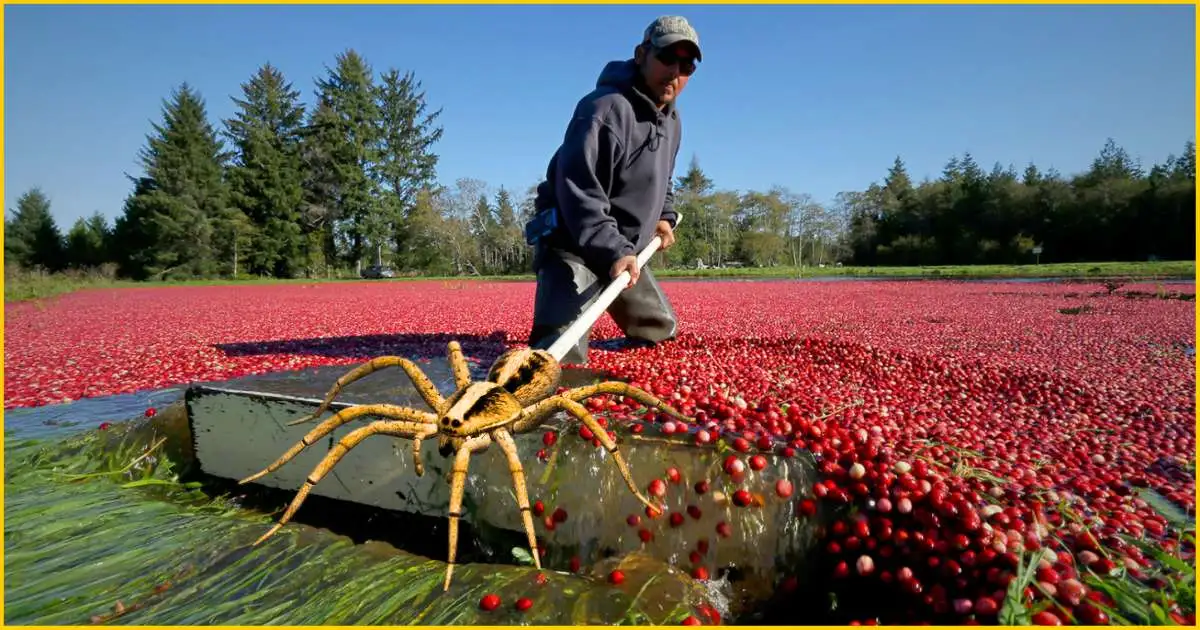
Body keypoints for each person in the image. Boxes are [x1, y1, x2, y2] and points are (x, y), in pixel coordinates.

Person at [523, 15, 702, 365]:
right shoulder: (603, 109)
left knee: (658, 332)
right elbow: (579, 190)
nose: (675, 72)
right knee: (560, 355)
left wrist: (663, 216)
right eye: (667, 58)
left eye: (686, 65)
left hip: (625, 249)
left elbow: (664, 179)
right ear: (641, 55)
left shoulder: (672, 122)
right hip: (572, 241)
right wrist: (612, 250)